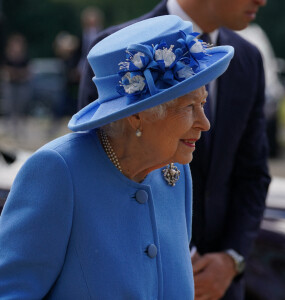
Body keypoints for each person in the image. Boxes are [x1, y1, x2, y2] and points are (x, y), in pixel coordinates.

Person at [0, 15, 234, 299]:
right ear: (137, 116)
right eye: (189, 107)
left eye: (203, 103)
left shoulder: (173, 170)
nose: (204, 123)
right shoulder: (58, 170)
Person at [78, 1, 271, 299]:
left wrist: (231, 259)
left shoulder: (249, 59)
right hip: (137, 283)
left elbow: (253, 172)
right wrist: (169, 260)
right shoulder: (118, 51)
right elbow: (98, 172)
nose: (262, 1)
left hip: (220, 288)